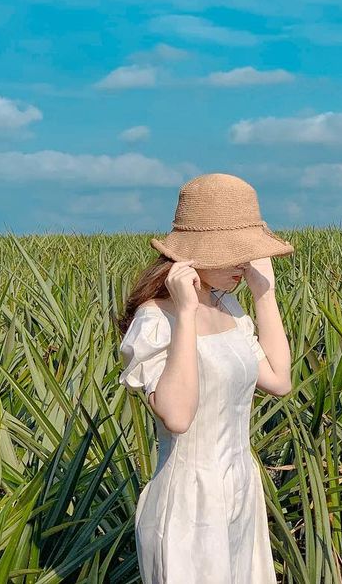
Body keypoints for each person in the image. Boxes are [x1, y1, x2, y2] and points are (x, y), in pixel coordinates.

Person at [116, 172, 295, 583]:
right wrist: (186, 314)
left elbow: (279, 380)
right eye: (233, 255)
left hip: (241, 488)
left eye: (248, 254)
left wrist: (264, 293)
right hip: (188, 504)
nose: (242, 264)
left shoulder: (230, 306)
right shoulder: (156, 319)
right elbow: (177, 416)